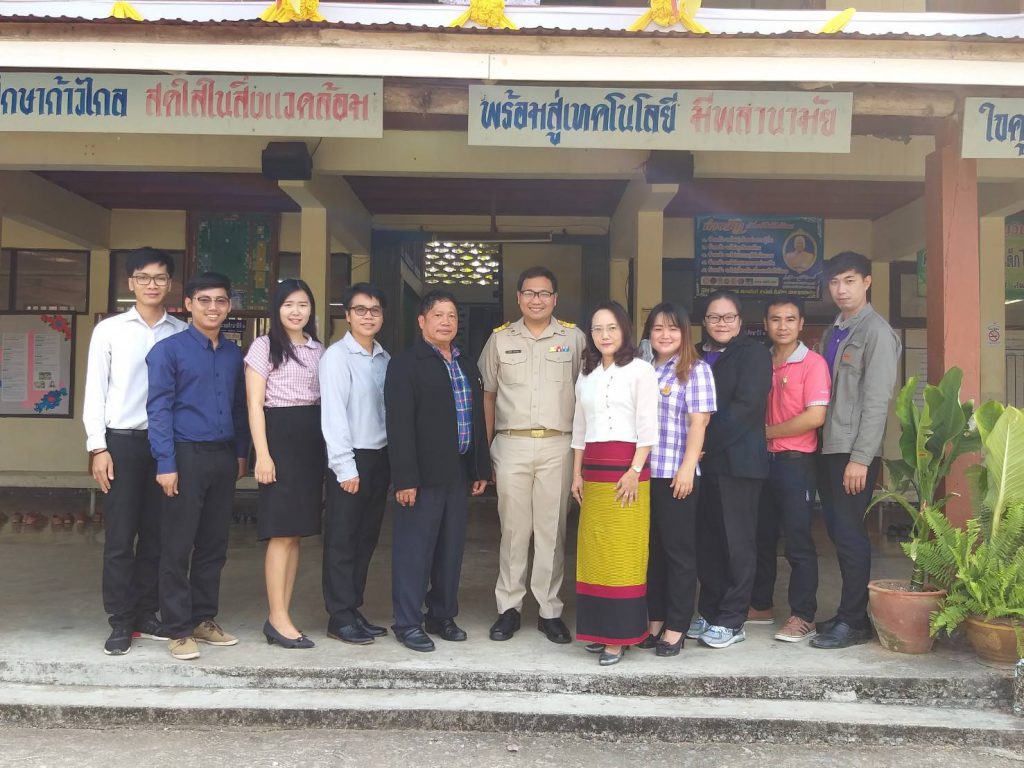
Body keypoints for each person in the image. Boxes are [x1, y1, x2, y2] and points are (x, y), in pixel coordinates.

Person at [83, 247, 187, 656]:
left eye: (160, 278)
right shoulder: (110, 330)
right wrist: (98, 447)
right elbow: (95, 390)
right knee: (121, 536)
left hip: (167, 446)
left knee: (158, 535)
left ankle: (146, 612)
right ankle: (121, 620)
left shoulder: (181, 332)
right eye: (143, 277)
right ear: (130, 282)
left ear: (170, 283)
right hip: (122, 442)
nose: (151, 285)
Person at [147, 271, 251, 661]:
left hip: (223, 457)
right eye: (204, 300)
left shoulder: (232, 354)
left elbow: (239, 407)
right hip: (184, 456)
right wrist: (165, 462)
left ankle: (203, 619)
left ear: (228, 306)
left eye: (221, 300)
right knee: (177, 545)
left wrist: (240, 453)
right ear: (188, 304)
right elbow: (159, 408)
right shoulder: (168, 351)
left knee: (213, 544)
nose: (213, 307)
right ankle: (177, 627)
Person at [478, 266, 585, 645]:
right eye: (529, 293)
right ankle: (508, 608)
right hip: (511, 444)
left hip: (559, 444)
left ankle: (548, 610)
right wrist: (486, 450)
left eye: (543, 293)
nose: (536, 300)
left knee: (552, 531)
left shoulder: (574, 338)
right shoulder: (499, 339)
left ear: (555, 299)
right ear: (518, 298)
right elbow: (488, 396)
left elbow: (585, 395)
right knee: (513, 530)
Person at [384, 290, 490, 652]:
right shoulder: (406, 364)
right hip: (422, 476)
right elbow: (399, 425)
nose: (446, 322)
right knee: (414, 551)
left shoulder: (465, 363)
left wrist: (480, 467)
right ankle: (407, 622)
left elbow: (476, 419)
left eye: (452, 316)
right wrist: (405, 478)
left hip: (457, 471)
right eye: (438, 315)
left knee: (450, 549)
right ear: (422, 321)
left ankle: (442, 614)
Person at [812, 252, 900, 649]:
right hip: (828, 446)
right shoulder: (835, 331)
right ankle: (848, 613)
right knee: (837, 530)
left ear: (867, 282)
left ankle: (854, 620)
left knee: (849, 534)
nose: (841, 289)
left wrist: (862, 458)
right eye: (834, 282)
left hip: (852, 452)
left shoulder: (877, 332)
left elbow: (877, 401)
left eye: (849, 280)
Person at [570, 301, 659, 667]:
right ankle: (598, 630)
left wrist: (634, 470)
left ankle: (619, 637)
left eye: (611, 328)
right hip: (593, 471)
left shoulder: (641, 370)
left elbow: (648, 426)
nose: (604, 335)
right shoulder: (587, 374)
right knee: (594, 552)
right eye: (597, 328)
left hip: (627, 472)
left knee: (623, 553)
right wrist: (576, 474)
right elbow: (579, 428)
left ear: (624, 330)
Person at [244, 279, 325, 650]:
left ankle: (283, 614)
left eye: (303, 304)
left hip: (310, 443)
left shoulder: (318, 349)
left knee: (295, 534)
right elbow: (254, 405)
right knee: (280, 532)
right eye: (289, 304)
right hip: (279, 439)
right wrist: (262, 454)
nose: (296, 311)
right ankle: (276, 617)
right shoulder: (264, 347)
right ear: (277, 308)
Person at [689, 290, 772, 649]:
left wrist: (701, 443)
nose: (721, 323)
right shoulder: (693, 353)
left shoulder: (754, 354)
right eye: (714, 317)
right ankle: (709, 612)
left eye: (728, 317)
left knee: (737, 542)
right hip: (700, 464)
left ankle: (733, 618)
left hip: (737, 464)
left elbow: (746, 408)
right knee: (707, 542)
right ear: (704, 321)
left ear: (740, 321)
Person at [748, 296, 831, 643]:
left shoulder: (813, 363)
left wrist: (766, 433)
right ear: (766, 323)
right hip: (760, 463)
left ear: (801, 324)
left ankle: (803, 615)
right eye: (775, 319)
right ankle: (760, 605)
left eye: (790, 319)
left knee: (797, 541)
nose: (782, 326)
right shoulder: (760, 361)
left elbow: (815, 417)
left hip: (795, 463)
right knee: (761, 537)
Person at [638, 302, 715, 657]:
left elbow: (700, 422)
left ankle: (677, 625)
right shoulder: (642, 369)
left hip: (675, 475)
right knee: (651, 552)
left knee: (678, 553)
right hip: (644, 474)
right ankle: (654, 621)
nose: (664, 335)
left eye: (672, 328)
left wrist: (687, 468)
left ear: (684, 333)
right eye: (658, 328)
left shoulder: (695, 370)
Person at [319, 282, 391, 646]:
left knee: (365, 538)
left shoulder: (384, 358)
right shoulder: (337, 357)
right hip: (351, 459)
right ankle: (339, 616)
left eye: (374, 310)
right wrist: (345, 467)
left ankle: (353, 607)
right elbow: (333, 415)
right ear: (347, 315)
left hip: (380, 457)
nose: (368, 316)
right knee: (342, 540)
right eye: (360, 310)